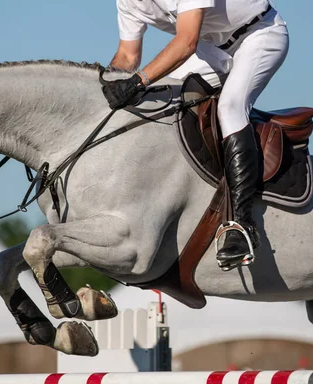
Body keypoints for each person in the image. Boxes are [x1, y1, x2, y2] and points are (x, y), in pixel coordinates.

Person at [101, 0, 289, 269]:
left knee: (230, 107)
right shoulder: (127, 2)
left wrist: (137, 82)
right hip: (211, 48)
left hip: (259, 34)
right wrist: (105, 89)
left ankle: (241, 224)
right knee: (160, 100)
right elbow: (128, 57)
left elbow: (186, 41)